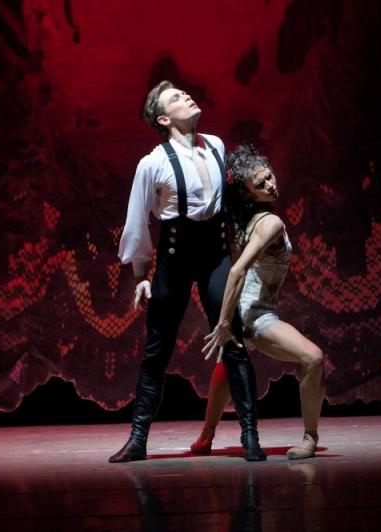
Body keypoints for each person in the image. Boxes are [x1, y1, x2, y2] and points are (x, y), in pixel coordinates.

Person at [110, 81, 266, 463]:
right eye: (176, 98)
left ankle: (250, 436)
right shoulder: (152, 163)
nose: (187, 97)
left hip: (214, 253)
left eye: (185, 93)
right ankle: (138, 439)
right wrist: (141, 276)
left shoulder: (215, 146)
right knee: (157, 348)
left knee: (233, 339)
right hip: (175, 253)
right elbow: (137, 220)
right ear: (164, 119)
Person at [193, 144, 325, 460]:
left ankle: (206, 435)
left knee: (228, 366)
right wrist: (224, 323)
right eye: (261, 183)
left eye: (269, 176)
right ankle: (310, 438)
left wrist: (227, 321)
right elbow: (237, 270)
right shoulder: (270, 223)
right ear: (248, 193)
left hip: (244, 309)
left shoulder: (249, 220)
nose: (270, 184)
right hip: (254, 313)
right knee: (314, 359)